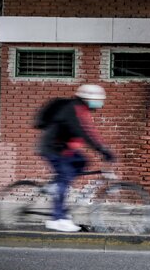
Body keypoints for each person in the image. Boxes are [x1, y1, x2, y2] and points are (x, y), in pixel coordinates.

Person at [37, 84, 115, 232]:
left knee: (82, 162)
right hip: (54, 148)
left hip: (65, 149)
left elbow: (90, 132)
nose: (99, 104)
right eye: (98, 100)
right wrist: (102, 150)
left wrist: (103, 148)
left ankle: (56, 185)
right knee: (64, 179)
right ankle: (57, 219)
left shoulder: (81, 110)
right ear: (89, 98)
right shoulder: (72, 109)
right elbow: (82, 133)